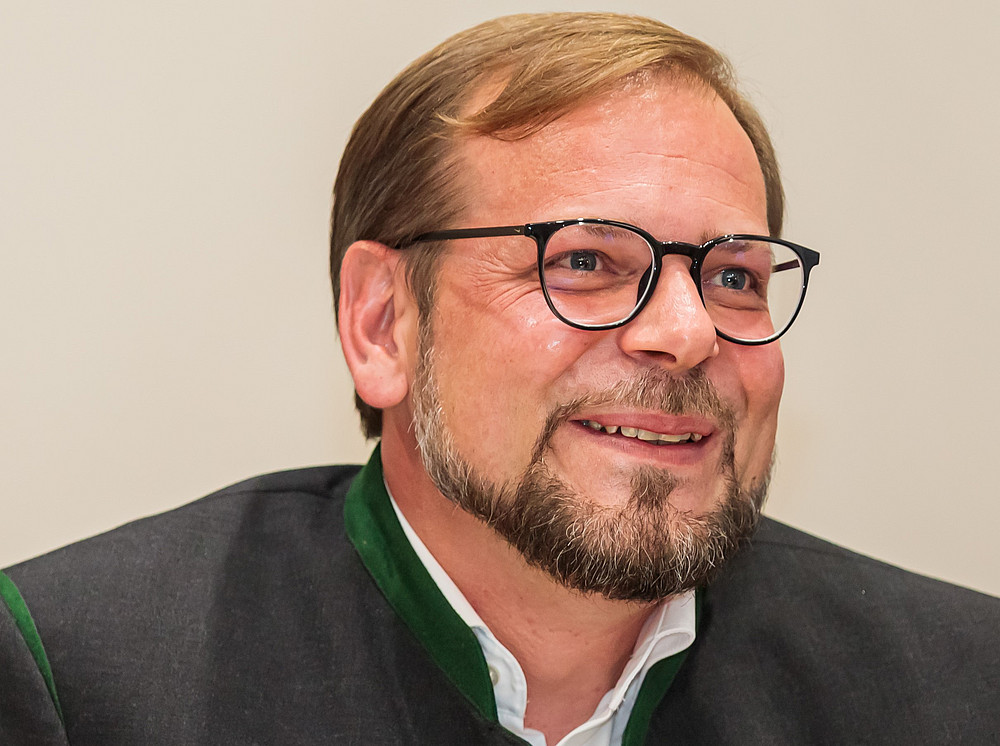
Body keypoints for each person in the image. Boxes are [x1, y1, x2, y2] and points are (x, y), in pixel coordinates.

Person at [1, 12, 997, 745]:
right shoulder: (81, 675)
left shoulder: (959, 685)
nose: (687, 332)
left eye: (733, 275)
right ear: (382, 323)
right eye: (585, 262)